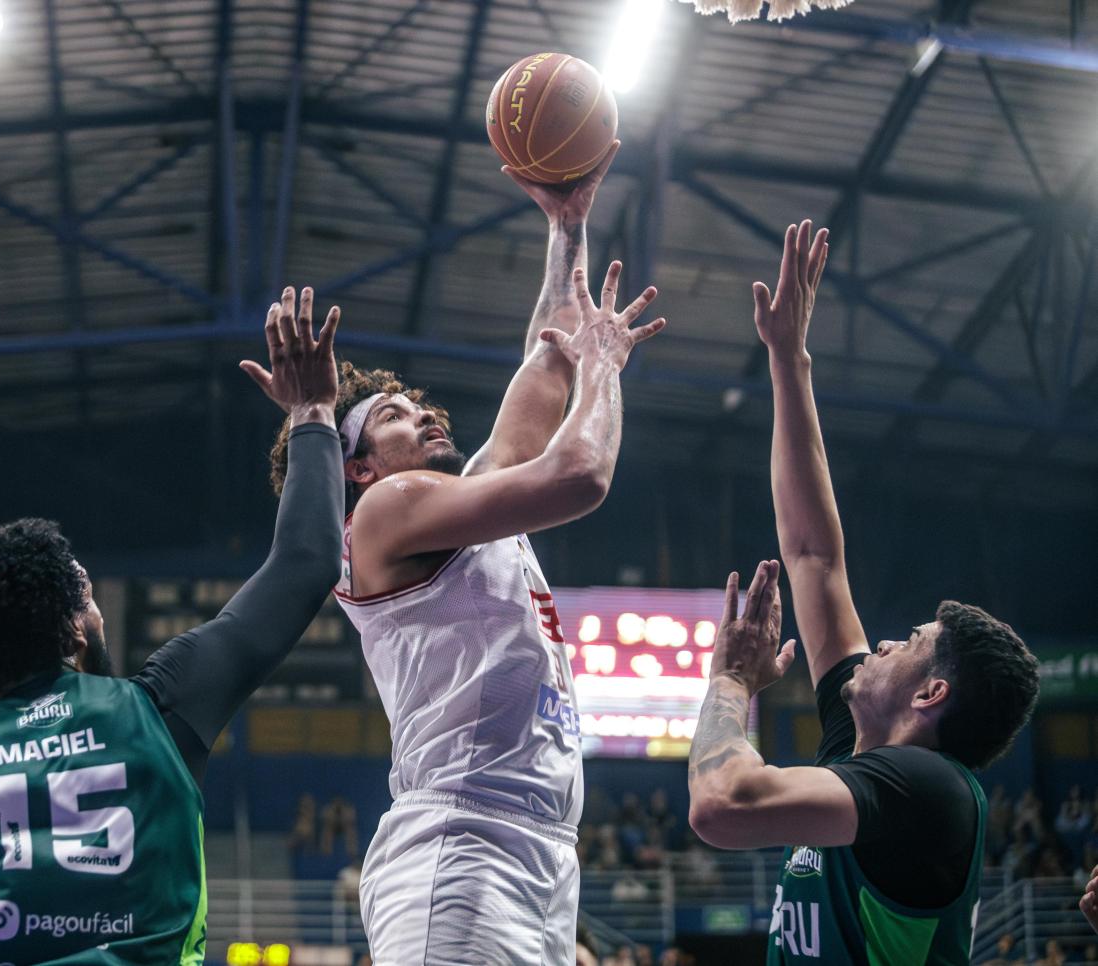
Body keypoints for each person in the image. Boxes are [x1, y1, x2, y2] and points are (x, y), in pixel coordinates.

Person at [0, 287, 346, 965]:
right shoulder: (158, 708)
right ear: (77, 626)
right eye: (90, 593)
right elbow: (307, 563)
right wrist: (312, 413)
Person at [263, 147, 666, 964]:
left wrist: (567, 224)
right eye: (395, 416)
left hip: (539, 854)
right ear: (358, 466)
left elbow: (546, 362)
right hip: (462, 842)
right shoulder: (384, 513)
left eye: (419, 403)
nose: (425, 414)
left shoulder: (464, 512)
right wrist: (606, 371)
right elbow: (580, 472)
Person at [685, 221, 1042, 965]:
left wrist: (728, 683)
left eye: (907, 644)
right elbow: (814, 558)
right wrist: (789, 360)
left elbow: (720, 807)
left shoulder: (926, 787)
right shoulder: (867, 753)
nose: (879, 642)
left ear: (930, 692)